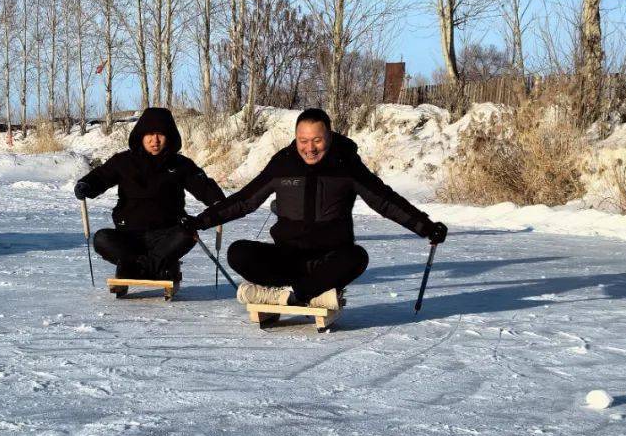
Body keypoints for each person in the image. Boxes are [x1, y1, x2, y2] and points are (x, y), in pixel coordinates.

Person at [184, 108, 447, 310]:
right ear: (296, 139)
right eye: (303, 141)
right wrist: (200, 222)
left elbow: (384, 201)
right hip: (287, 257)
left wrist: (425, 226)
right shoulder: (283, 163)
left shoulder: (346, 165)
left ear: (329, 137)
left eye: (317, 140)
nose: (309, 148)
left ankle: (291, 295)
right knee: (238, 252)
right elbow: (244, 201)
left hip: (329, 260)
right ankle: (302, 293)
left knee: (357, 257)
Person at [74, 107, 224, 285]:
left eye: (161, 134)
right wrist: (86, 185)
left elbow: (203, 187)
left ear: (169, 136)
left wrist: (218, 202)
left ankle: (132, 268)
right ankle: (160, 268)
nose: (155, 140)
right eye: (150, 135)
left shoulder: (180, 164)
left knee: (188, 233)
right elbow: (101, 176)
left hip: (166, 236)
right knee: (102, 239)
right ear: (141, 136)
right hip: (128, 235)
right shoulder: (123, 161)